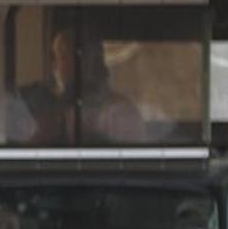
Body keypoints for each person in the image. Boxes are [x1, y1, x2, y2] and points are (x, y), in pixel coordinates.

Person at [8, 29, 144, 146]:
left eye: (63, 57)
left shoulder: (120, 111)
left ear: (90, 61)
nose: (57, 66)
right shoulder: (46, 104)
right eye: (58, 58)